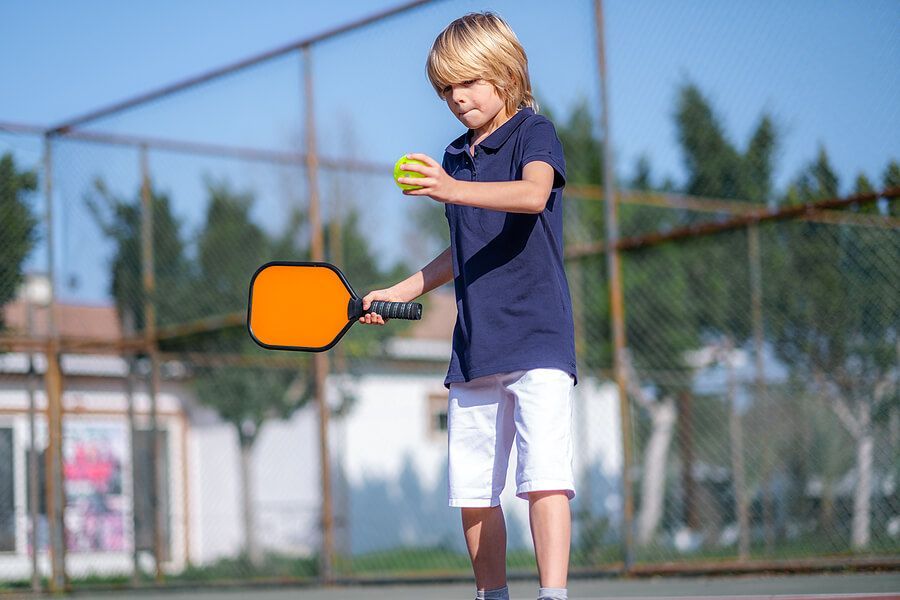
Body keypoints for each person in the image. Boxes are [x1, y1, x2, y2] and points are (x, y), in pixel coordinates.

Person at [359, 12, 576, 600]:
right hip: (475, 345)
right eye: (446, 89)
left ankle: (553, 595)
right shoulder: (455, 157)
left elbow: (532, 195)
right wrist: (403, 289)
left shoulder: (536, 132)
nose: (458, 98)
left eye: (470, 82)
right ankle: (492, 595)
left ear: (504, 74)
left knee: (544, 479)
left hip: (538, 338)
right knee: (474, 491)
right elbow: (463, 244)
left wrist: (449, 188)